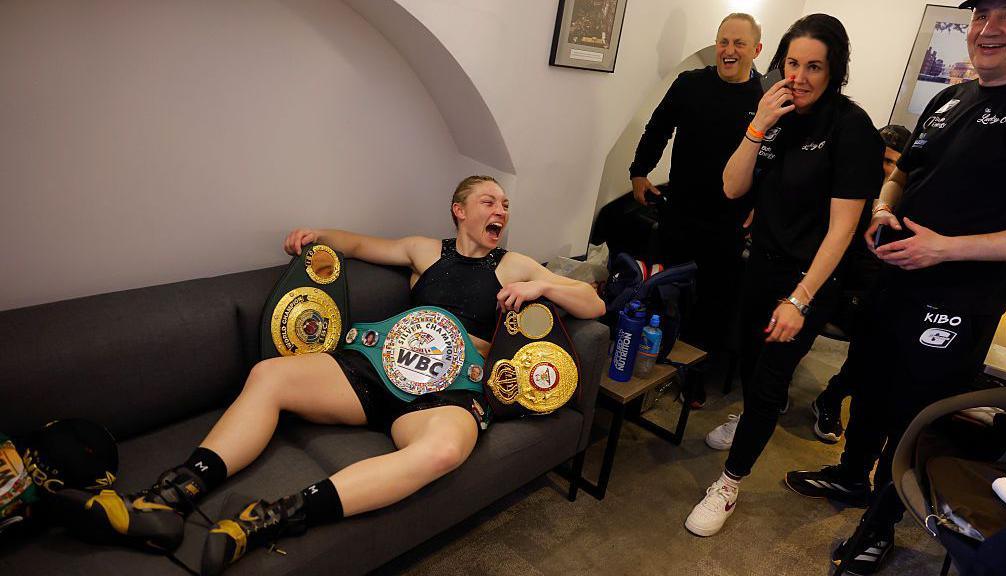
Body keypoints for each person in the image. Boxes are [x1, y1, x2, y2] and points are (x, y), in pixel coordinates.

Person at [59, 175, 605, 574]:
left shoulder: (514, 265)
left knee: (441, 453)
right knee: (272, 374)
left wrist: (544, 286)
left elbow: (593, 305)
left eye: (506, 205)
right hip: (373, 372)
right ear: (459, 210)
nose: (501, 211)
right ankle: (172, 495)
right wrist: (316, 235)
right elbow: (360, 244)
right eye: (489, 200)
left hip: (445, 393)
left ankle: (270, 518)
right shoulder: (423, 250)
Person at [784, 0, 1006, 572]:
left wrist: (947, 247)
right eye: (982, 15)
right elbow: (903, 171)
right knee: (868, 383)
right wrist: (882, 209)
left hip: (960, 297)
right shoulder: (949, 97)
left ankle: (879, 525)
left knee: (917, 414)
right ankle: (849, 478)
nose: (989, 29)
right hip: (895, 280)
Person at [684, 14, 883, 538]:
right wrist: (756, 127)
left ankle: (729, 483)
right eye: (793, 63)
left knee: (772, 378)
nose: (799, 76)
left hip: (809, 279)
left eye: (814, 66)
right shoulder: (775, 111)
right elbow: (732, 188)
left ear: (834, 69)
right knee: (750, 360)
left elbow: (842, 229)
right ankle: (749, 416)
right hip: (761, 266)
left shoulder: (852, 127)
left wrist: (800, 298)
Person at [628, 13, 764, 397]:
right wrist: (639, 172)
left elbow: (775, 159)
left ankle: (694, 379)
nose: (729, 51)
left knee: (712, 306)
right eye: (723, 42)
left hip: (729, 221)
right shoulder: (690, 84)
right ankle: (648, 370)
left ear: (756, 49)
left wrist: (762, 205)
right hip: (680, 210)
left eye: (739, 43)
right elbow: (657, 128)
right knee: (660, 292)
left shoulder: (765, 100)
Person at [808, 123, 911, 444]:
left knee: (879, 344)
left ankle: (831, 396)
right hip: (824, 284)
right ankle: (776, 387)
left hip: (869, 297)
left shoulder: (904, 208)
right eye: (877, 157)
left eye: (890, 161)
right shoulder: (839, 186)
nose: (882, 167)